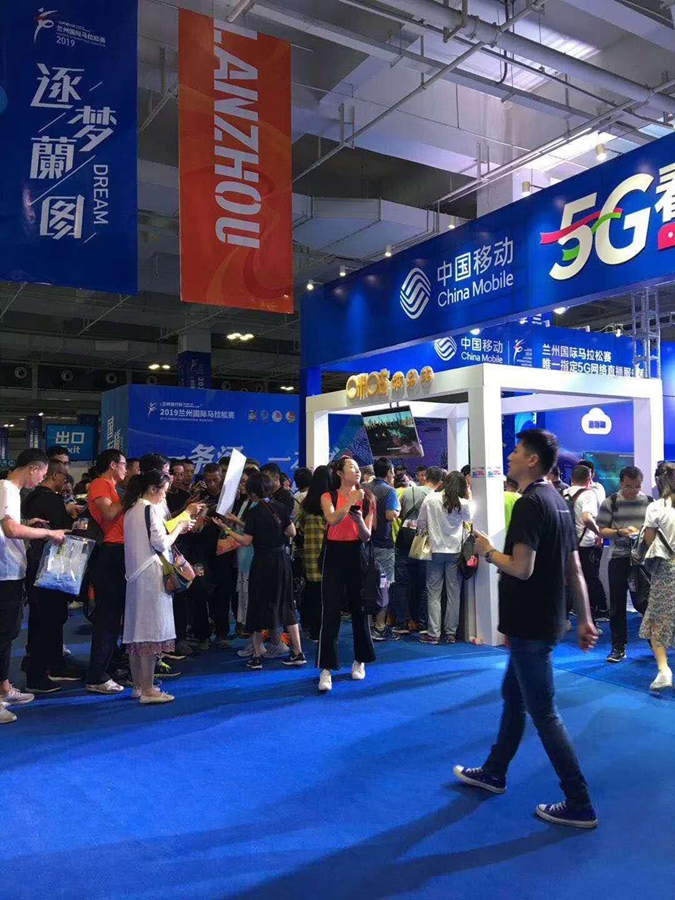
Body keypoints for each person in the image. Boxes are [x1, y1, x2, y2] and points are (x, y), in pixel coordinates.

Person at [456, 428, 599, 830]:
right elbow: (574, 569)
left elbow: (521, 567)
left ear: (533, 459)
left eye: (517, 450)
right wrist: (585, 618)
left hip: (531, 624)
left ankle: (579, 801)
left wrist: (487, 551)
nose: (511, 455)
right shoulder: (558, 501)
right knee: (513, 697)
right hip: (543, 620)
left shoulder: (530, 504)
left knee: (544, 713)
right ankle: (495, 771)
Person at [0, 450, 67, 724]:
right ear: (32, 468)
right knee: (3, 635)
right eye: (42, 474)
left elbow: (12, 526)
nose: (42, 479)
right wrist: (48, 532)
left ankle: (4, 688)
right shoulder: (7, 488)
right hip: (4, 573)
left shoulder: (11, 491)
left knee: (8, 634)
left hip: (10, 572)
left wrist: (29, 523)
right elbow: (11, 530)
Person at [220, 472, 306, 670]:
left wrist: (227, 529)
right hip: (282, 561)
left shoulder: (254, 512)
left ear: (252, 493)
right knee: (286, 605)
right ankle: (298, 652)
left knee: (256, 606)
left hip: (262, 561)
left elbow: (246, 541)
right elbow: (291, 532)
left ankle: (257, 656)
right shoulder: (280, 507)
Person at [122, 471, 192, 703]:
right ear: (153, 489)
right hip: (151, 575)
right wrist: (180, 527)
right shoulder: (150, 509)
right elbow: (161, 543)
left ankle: (139, 686)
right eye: (164, 490)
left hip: (135, 575)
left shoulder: (131, 510)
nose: (165, 495)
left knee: (136, 633)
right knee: (151, 632)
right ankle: (149, 689)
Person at [22, 460, 82, 693]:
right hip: (49, 567)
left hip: (38, 565)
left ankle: (48, 664)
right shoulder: (48, 499)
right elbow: (57, 530)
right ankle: (40, 672)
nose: (65, 483)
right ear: (55, 476)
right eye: (64, 477)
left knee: (46, 619)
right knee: (47, 619)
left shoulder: (33, 498)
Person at [317, 457, 375, 692]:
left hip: (356, 553)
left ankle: (360, 660)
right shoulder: (328, 496)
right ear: (339, 473)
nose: (357, 472)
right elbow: (332, 519)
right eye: (351, 468)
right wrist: (350, 500)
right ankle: (326, 668)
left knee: (359, 610)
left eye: (358, 468)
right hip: (333, 554)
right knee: (330, 611)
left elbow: (366, 536)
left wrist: (359, 520)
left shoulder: (367, 498)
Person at [596, 466, 651, 663]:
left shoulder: (650, 503)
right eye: (628, 486)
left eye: (637, 487)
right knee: (617, 604)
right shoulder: (610, 502)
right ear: (621, 483)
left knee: (645, 602)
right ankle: (618, 646)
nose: (633, 491)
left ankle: (656, 641)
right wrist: (619, 532)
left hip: (643, 560)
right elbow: (601, 530)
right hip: (618, 557)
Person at [86, 448, 128, 695]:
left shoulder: (111, 487)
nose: (126, 469)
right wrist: (129, 495)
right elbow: (110, 512)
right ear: (113, 464)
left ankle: (108, 665)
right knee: (108, 616)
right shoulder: (100, 484)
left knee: (113, 615)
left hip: (117, 553)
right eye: (123, 464)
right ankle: (97, 674)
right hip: (109, 554)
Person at [416, 471, 474, 645]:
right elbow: (470, 518)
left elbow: (421, 523)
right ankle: (450, 633)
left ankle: (434, 633)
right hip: (456, 551)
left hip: (434, 550)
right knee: (453, 593)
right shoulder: (463, 503)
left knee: (433, 593)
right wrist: (469, 496)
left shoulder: (431, 499)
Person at [393, 466, 444, 635]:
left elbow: (400, 514)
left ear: (425, 476)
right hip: (426, 543)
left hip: (405, 540)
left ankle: (402, 622)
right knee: (425, 583)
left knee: (402, 583)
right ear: (440, 482)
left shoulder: (409, 492)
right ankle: (422, 622)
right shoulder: (438, 497)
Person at [639, 463, 675, 691]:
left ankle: (663, 670)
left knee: (658, 620)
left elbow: (649, 541)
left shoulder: (656, 508)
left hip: (667, 569)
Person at [564, 465, 608, 623]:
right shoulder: (589, 494)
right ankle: (595, 616)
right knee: (589, 579)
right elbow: (587, 518)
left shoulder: (564, 492)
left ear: (572, 478)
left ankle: (565, 617)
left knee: (569, 580)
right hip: (586, 544)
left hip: (568, 544)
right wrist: (599, 533)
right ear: (589, 479)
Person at [297, 466, 333, 642]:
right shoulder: (330, 501)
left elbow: (301, 528)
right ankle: (325, 631)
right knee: (327, 596)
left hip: (310, 555)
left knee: (312, 593)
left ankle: (313, 629)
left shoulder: (306, 503)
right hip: (328, 553)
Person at [370, 457, 401, 641]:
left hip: (366, 543)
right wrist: (398, 511)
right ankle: (380, 626)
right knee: (384, 584)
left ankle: (368, 624)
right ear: (389, 472)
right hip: (383, 542)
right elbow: (390, 515)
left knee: (368, 583)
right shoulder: (389, 491)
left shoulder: (365, 487)